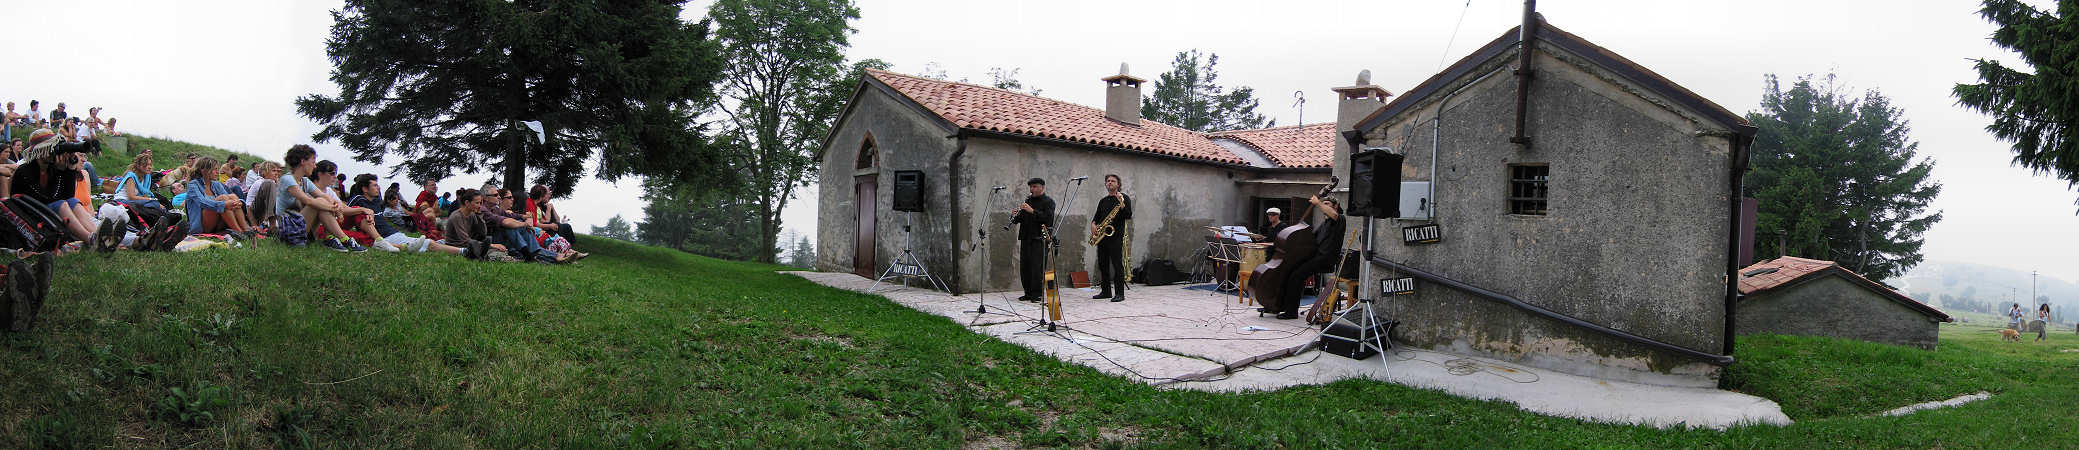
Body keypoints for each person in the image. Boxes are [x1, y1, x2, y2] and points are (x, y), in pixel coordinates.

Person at [10, 130, 115, 245]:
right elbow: (46, 198)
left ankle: (100, 236)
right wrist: (60, 171)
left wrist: (69, 169)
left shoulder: (52, 168)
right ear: (39, 150)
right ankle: (91, 239)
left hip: (46, 211)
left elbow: (68, 196)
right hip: (29, 215)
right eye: (49, 149)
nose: (53, 153)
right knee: (60, 204)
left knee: (72, 201)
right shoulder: (25, 171)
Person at [348, 176, 475, 257]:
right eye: (375, 185)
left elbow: (434, 211)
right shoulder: (358, 200)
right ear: (365, 189)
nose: (378, 187)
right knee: (429, 243)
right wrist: (362, 209)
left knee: (430, 241)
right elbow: (345, 212)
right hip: (386, 236)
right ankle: (465, 251)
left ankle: (455, 244)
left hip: (394, 233)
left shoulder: (375, 201)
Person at [1266, 196, 1345, 320]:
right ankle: (1280, 305)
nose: (1324, 206)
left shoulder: (1340, 219)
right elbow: (1311, 239)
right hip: (1316, 256)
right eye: (1323, 203)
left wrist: (1318, 202)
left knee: (1296, 276)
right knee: (1291, 272)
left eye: (1327, 204)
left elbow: (1334, 215)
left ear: (1335, 206)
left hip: (1324, 258)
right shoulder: (1325, 223)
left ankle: (1291, 312)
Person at [184, 157, 255, 238]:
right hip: (203, 226)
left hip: (218, 222)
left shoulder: (216, 184)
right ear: (204, 170)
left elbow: (228, 198)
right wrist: (223, 204)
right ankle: (239, 232)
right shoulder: (193, 185)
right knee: (222, 199)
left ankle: (246, 230)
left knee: (232, 196)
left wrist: (236, 202)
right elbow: (202, 202)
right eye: (215, 169)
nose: (217, 172)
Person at [1088, 174, 1132, 302]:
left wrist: (1122, 203)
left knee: (1117, 265)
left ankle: (1120, 294)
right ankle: (1106, 291)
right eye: (1108, 181)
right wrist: (1093, 224)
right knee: (1103, 265)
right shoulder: (1103, 201)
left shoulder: (1124, 198)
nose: (1110, 183)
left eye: (1113, 181)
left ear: (1118, 184)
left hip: (1116, 236)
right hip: (1103, 237)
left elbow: (1128, 215)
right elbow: (1096, 217)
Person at [1010, 178, 1055, 302]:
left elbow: (1048, 218)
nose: (1032, 189)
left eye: (1035, 187)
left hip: (1039, 239)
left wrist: (1032, 211)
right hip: (1026, 238)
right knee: (1025, 267)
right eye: (1031, 187)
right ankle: (1028, 293)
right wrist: (1014, 215)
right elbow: (1018, 220)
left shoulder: (1048, 202)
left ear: (1042, 187)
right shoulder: (1028, 201)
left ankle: (1037, 294)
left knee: (1037, 268)